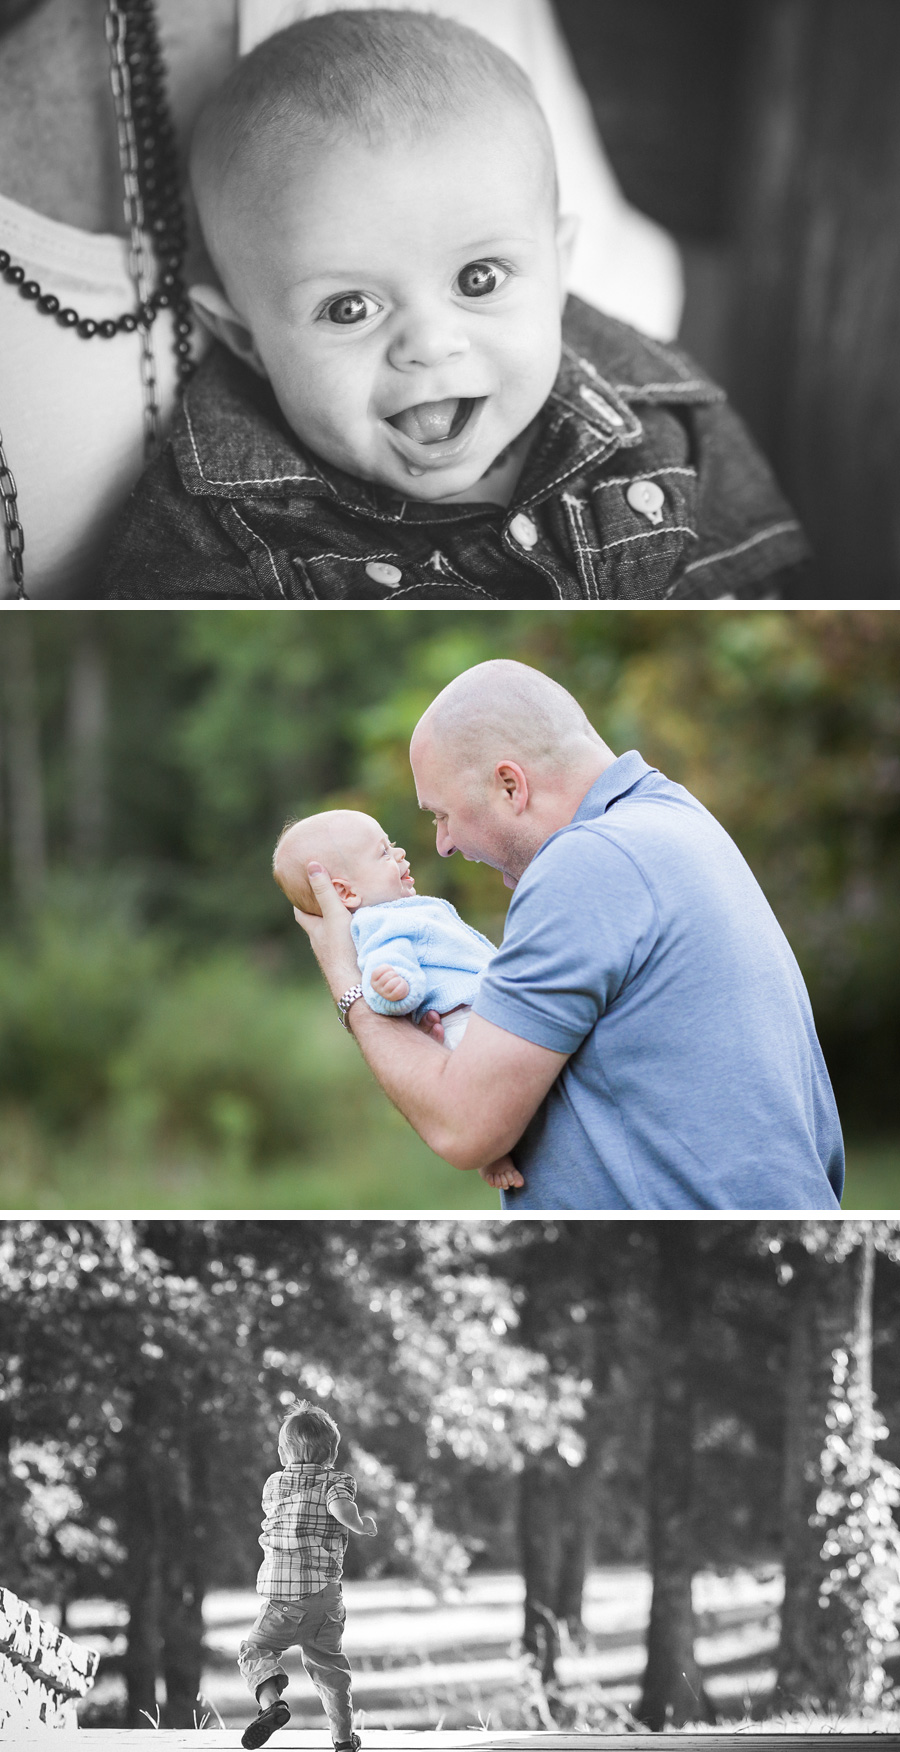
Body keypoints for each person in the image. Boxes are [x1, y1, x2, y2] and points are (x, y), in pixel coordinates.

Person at [100, 11, 806, 603]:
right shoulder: (214, 529)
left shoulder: (668, 424)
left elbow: (768, 587)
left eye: (477, 279)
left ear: (558, 268)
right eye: (349, 308)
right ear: (246, 338)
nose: (430, 345)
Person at [293, 656, 845, 1213]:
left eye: (442, 815)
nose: (442, 845)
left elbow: (464, 1128)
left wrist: (348, 979)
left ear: (510, 785)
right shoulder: (677, 821)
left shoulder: (587, 863)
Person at [272, 808, 521, 1191]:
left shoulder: (412, 909)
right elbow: (386, 969)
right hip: (460, 1022)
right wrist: (394, 987)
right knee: (496, 1091)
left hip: (479, 1006)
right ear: (345, 892)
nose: (400, 853)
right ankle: (492, 1154)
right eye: (384, 852)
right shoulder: (378, 924)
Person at [237, 1401, 375, 1752]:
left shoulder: (274, 1485)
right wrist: (359, 1524)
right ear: (332, 1452)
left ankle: (271, 1705)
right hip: (326, 1600)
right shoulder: (337, 1480)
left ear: (284, 1452)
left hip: (284, 1601)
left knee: (254, 1650)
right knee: (330, 1668)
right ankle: (344, 1740)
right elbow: (340, 1507)